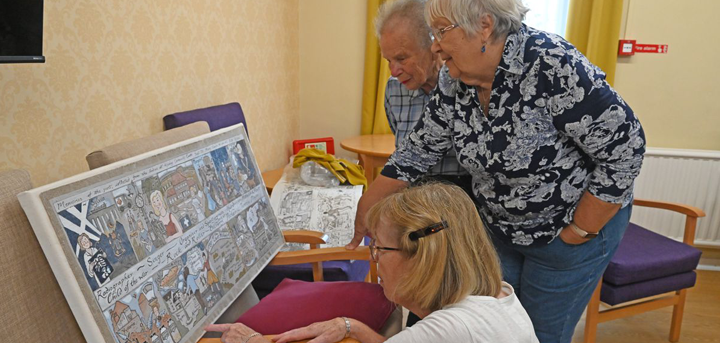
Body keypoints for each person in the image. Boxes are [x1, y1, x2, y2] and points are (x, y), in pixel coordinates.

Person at [346, 1, 646, 342]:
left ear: (484, 25)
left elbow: (626, 149)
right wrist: (367, 207)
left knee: (542, 334)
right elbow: (417, 150)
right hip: (501, 228)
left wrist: (579, 230)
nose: (435, 45)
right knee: (491, 323)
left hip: (566, 229)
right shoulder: (454, 76)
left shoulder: (551, 63)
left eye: (442, 31)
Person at [206, 183, 538, 343]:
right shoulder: (500, 297)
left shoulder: (445, 330)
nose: (374, 260)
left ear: (420, 259)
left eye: (379, 248)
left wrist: (250, 341)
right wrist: (353, 326)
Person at [376, 0, 471, 196]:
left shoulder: (467, 84)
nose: (393, 71)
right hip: (413, 203)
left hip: (462, 204)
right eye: (388, 60)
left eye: (402, 59)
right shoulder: (393, 90)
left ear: (434, 46)